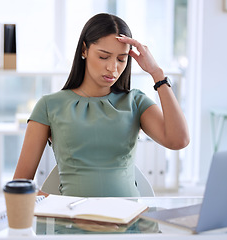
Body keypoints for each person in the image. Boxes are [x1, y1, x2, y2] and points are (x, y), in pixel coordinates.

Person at [13, 13, 189, 197]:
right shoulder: (49, 105)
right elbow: (19, 184)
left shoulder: (135, 102)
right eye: (104, 57)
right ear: (84, 50)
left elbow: (179, 140)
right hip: (70, 220)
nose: (113, 68)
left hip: (128, 219)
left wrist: (157, 74)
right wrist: (56, 203)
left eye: (121, 59)